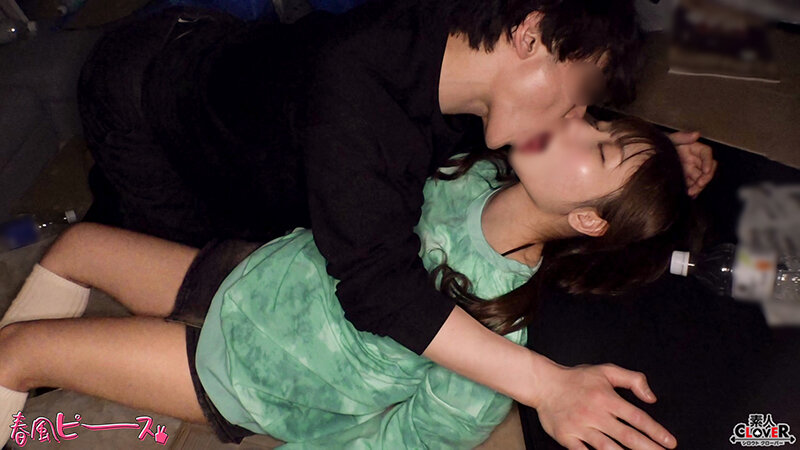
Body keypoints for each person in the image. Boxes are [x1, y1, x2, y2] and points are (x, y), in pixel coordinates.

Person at [77, 0, 714, 447]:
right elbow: (377, 286)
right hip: (148, 95)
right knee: (147, 256)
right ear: (531, 34)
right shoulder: (357, 92)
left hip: (236, 81)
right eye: (580, 99)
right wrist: (546, 385)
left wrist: (647, 172)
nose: (571, 120)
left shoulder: (469, 73)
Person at [1, 117, 690, 449]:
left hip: (255, 371)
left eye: (599, 147)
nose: (577, 122)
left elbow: (410, 440)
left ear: (586, 220)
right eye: (600, 123)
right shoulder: (474, 172)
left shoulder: (498, 326)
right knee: (78, 245)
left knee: (22, 351)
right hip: (254, 279)